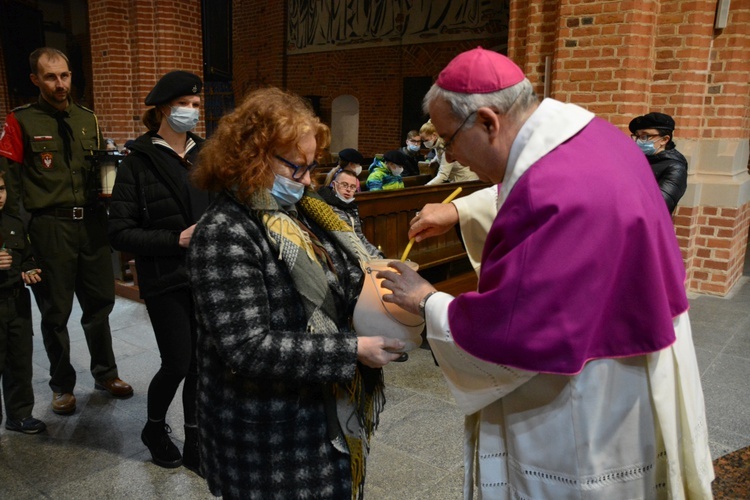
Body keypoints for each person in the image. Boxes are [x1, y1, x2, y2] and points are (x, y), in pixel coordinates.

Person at [377, 47, 714, 498]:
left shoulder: (553, 189)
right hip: (639, 344)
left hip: (592, 387)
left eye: (447, 139)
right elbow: (519, 185)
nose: (449, 152)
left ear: (487, 122)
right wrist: (458, 212)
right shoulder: (586, 134)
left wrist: (428, 301)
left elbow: (516, 328)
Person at [186, 87, 404, 499]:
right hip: (268, 435)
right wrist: (352, 350)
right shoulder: (224, 232)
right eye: (297, 169)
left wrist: (391, 283)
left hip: (320, 414)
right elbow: (247, 347)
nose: (308, 182)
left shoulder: (305, 213)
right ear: (254, 157)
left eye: (311, 167)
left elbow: (342, 274)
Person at [0, 47, 132, 416]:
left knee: (99, 305)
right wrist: (17, 241)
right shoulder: (20, 121)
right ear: (35, 80)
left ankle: (106, 372)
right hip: (49, 227)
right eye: (50, 77)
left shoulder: (87, 118)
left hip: (91, 224)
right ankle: (61, 386)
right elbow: (7, 185)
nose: (60, 84)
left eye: (65, 76)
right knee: (55, 312)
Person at [108, 71, 208, 473]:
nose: (193, 111)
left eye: (198, 105)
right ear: (166, 108)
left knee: (202, 362)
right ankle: (153, 429)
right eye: (187, 104)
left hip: (206, 275)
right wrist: (176, 240)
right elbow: (119, 232)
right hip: (166, 277)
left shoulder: (207, 154)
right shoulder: (138, 162)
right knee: (178, 362)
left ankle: (197, 438)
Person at [0, 172, 46, 435]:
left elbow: (26, 256)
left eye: (2, 189)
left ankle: (19, 415)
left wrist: (29, 269)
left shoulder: (13, 221)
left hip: (16, 304)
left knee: (19, 361)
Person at [629, 112, 688, 215]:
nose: (638, 141)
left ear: (664, 140)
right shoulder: (637, 159)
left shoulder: (675, 168)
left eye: (645, 136)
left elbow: (658, 207)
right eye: (637, 136)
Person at [318, 168, 383, 258]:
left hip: (358, 255)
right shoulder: (325, 207)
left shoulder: (352, 208)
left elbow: (359, 237)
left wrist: (378, 256)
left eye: (352, 187)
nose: (348, 190)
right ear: (334, 185)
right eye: (344, 185)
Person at [420, 120, 479, 186]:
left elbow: (443, 175)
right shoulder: (438, 143)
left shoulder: (446, 147)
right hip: (457, 180)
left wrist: (426, 186)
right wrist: (435, 160)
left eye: (426, 140)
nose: (425, 143)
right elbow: (439, 154)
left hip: (466, 180)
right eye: (423, 140)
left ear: (434, 135)